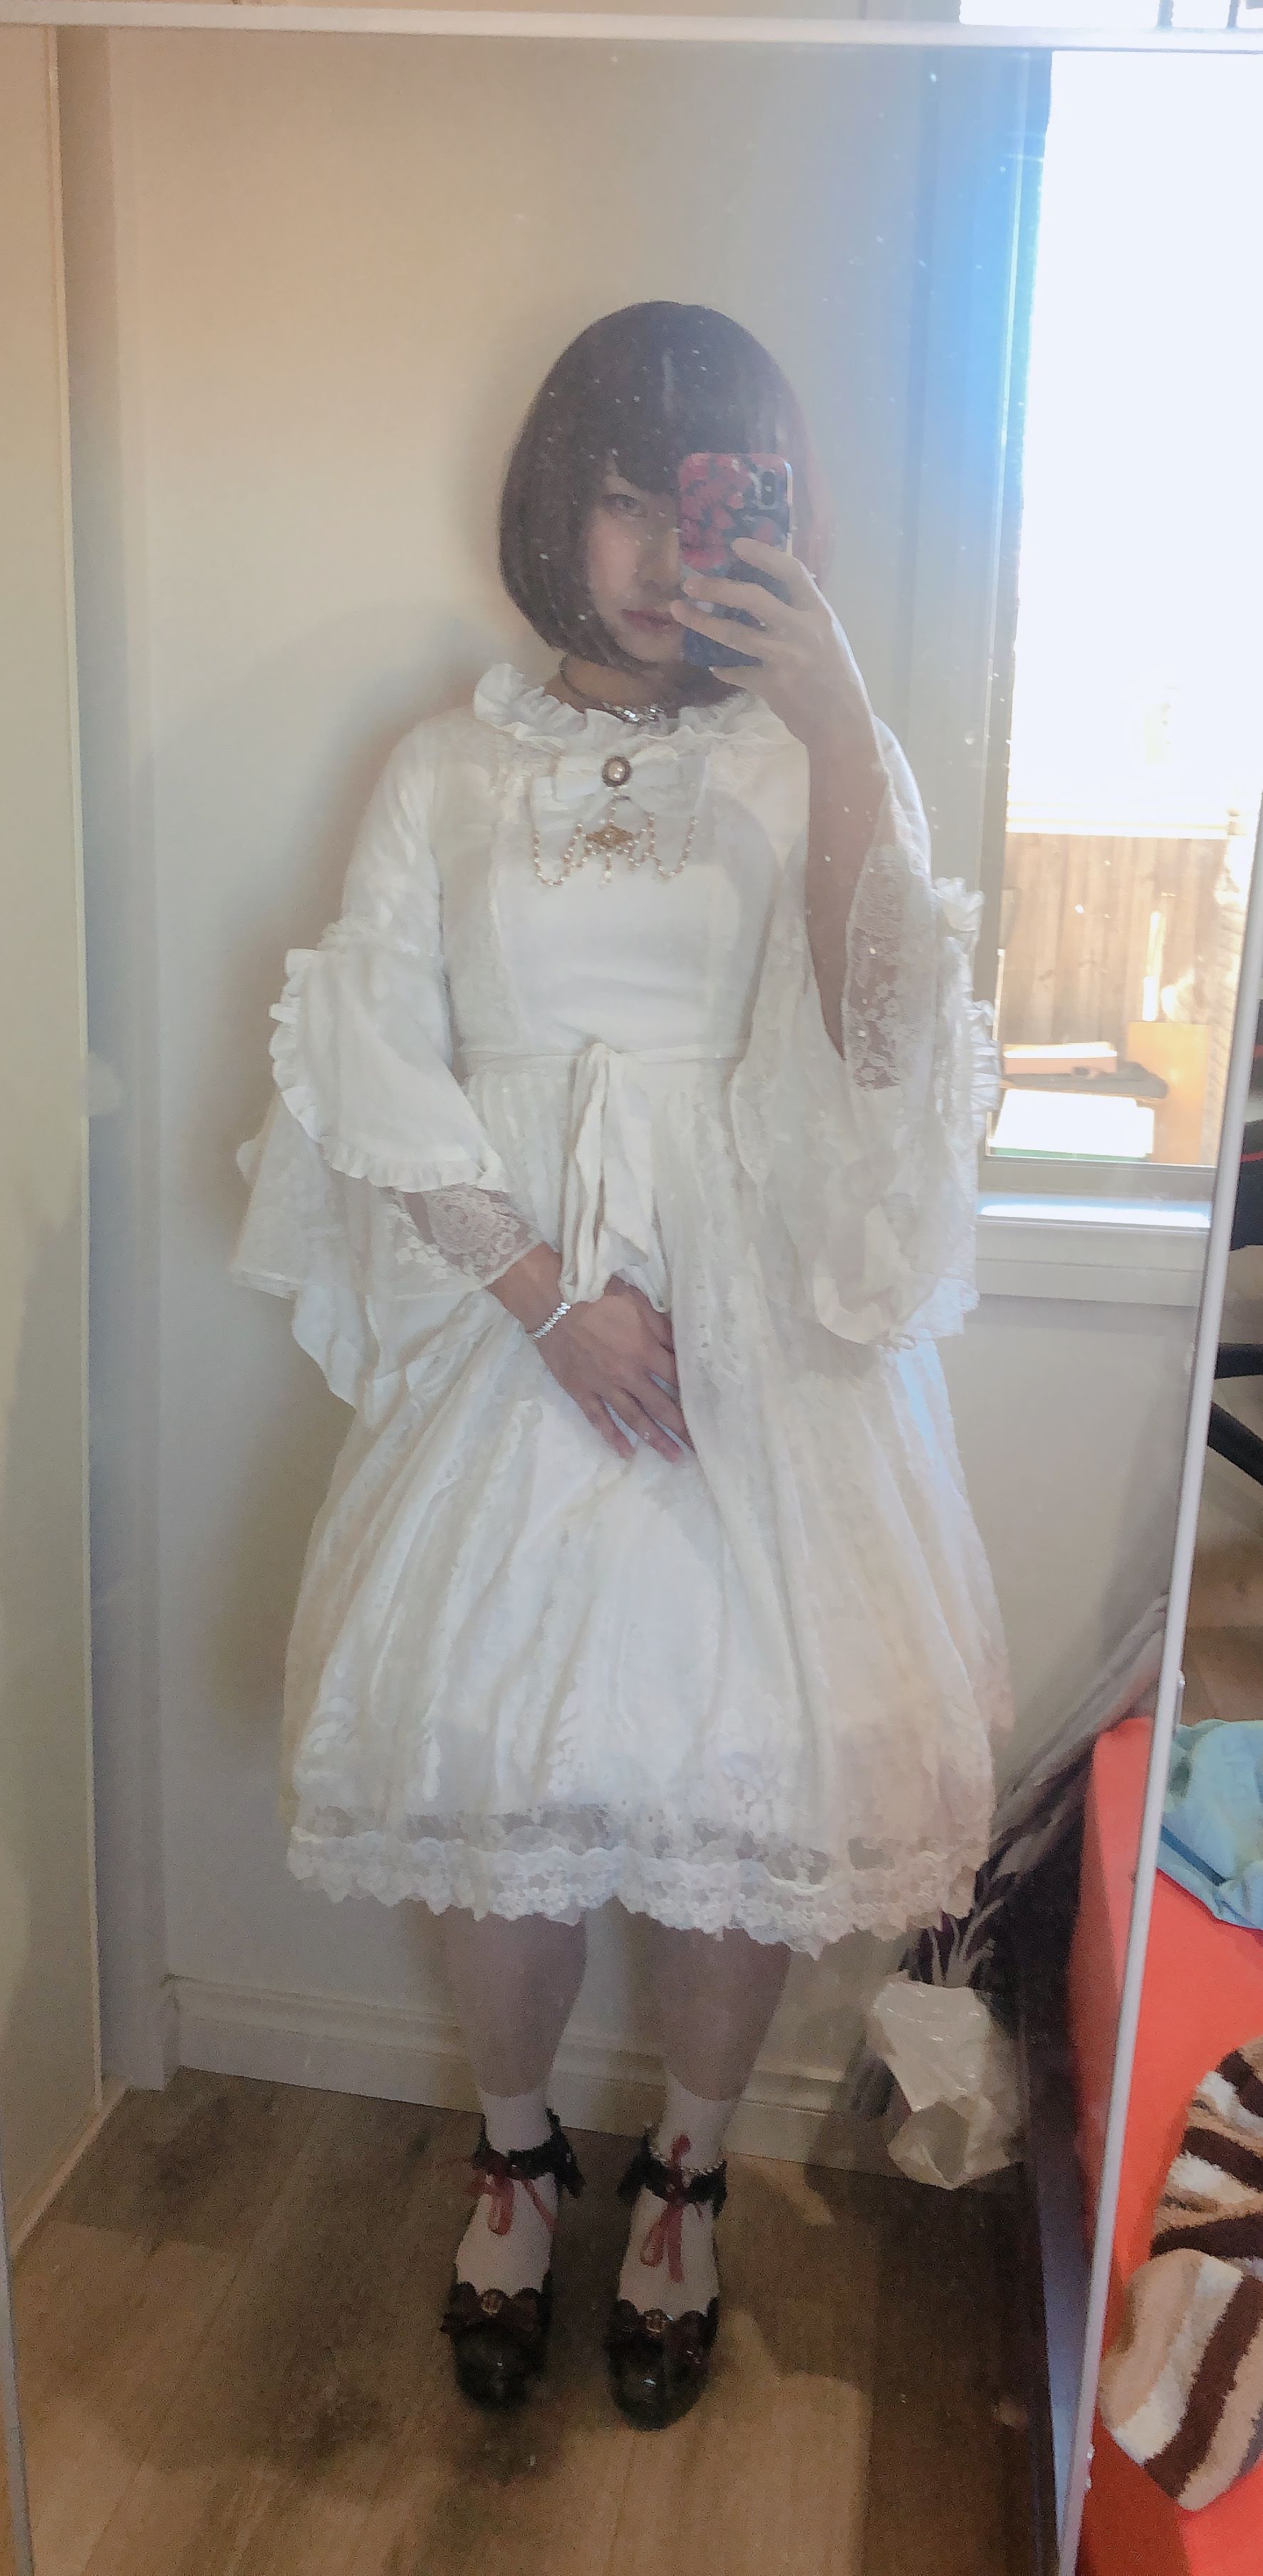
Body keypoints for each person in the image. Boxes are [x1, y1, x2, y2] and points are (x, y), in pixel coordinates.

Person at [232, 299, 1011, 2427]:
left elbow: (880, 1051)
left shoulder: (812, 743)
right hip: (520, 1324)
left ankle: (688, 2169)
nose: (676, 551)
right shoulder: (444, 767)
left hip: (756, 1341)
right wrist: (540, 1294)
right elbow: (371, 1047)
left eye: (723, 500)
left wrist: (840, 729)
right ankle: (514, 2152)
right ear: (556, 513)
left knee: (736, 1768)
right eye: (631, 497)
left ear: (782, 513)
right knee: (487, 1764)